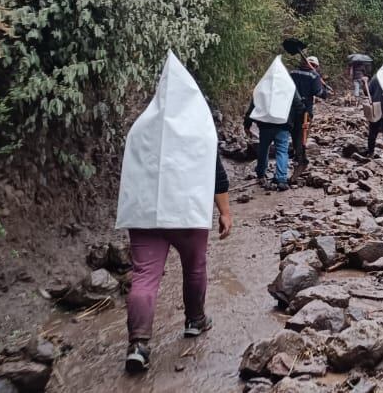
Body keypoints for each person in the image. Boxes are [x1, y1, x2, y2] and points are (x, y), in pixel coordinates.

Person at [125, 152, 231, 372]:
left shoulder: (142, 126)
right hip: (187, 210)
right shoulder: (199, 125)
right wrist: (225, 212)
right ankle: (195, 320)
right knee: (194, 267)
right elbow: (216, 172)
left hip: (144, 211)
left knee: (144, 276)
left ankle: (138, 345)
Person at [244, 89, 304, 191]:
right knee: (282, 151)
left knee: (263, 149)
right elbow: (299, 105)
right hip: (283, 124)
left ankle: (261, 175)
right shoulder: (288, 85)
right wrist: (298, 121)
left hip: (265, 125)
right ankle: (281, 179)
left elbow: (253, 106)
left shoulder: (263, 85)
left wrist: (247, 123)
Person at [288, 56, 330, 175]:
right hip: (306, 110)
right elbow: (318, 92)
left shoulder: (292, 72)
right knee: (303, 134)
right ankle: (300, 158)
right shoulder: (314, 76)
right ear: (315, 66)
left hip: (291, 108)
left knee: (294, 132)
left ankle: (297, 154)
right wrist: (325, 93)